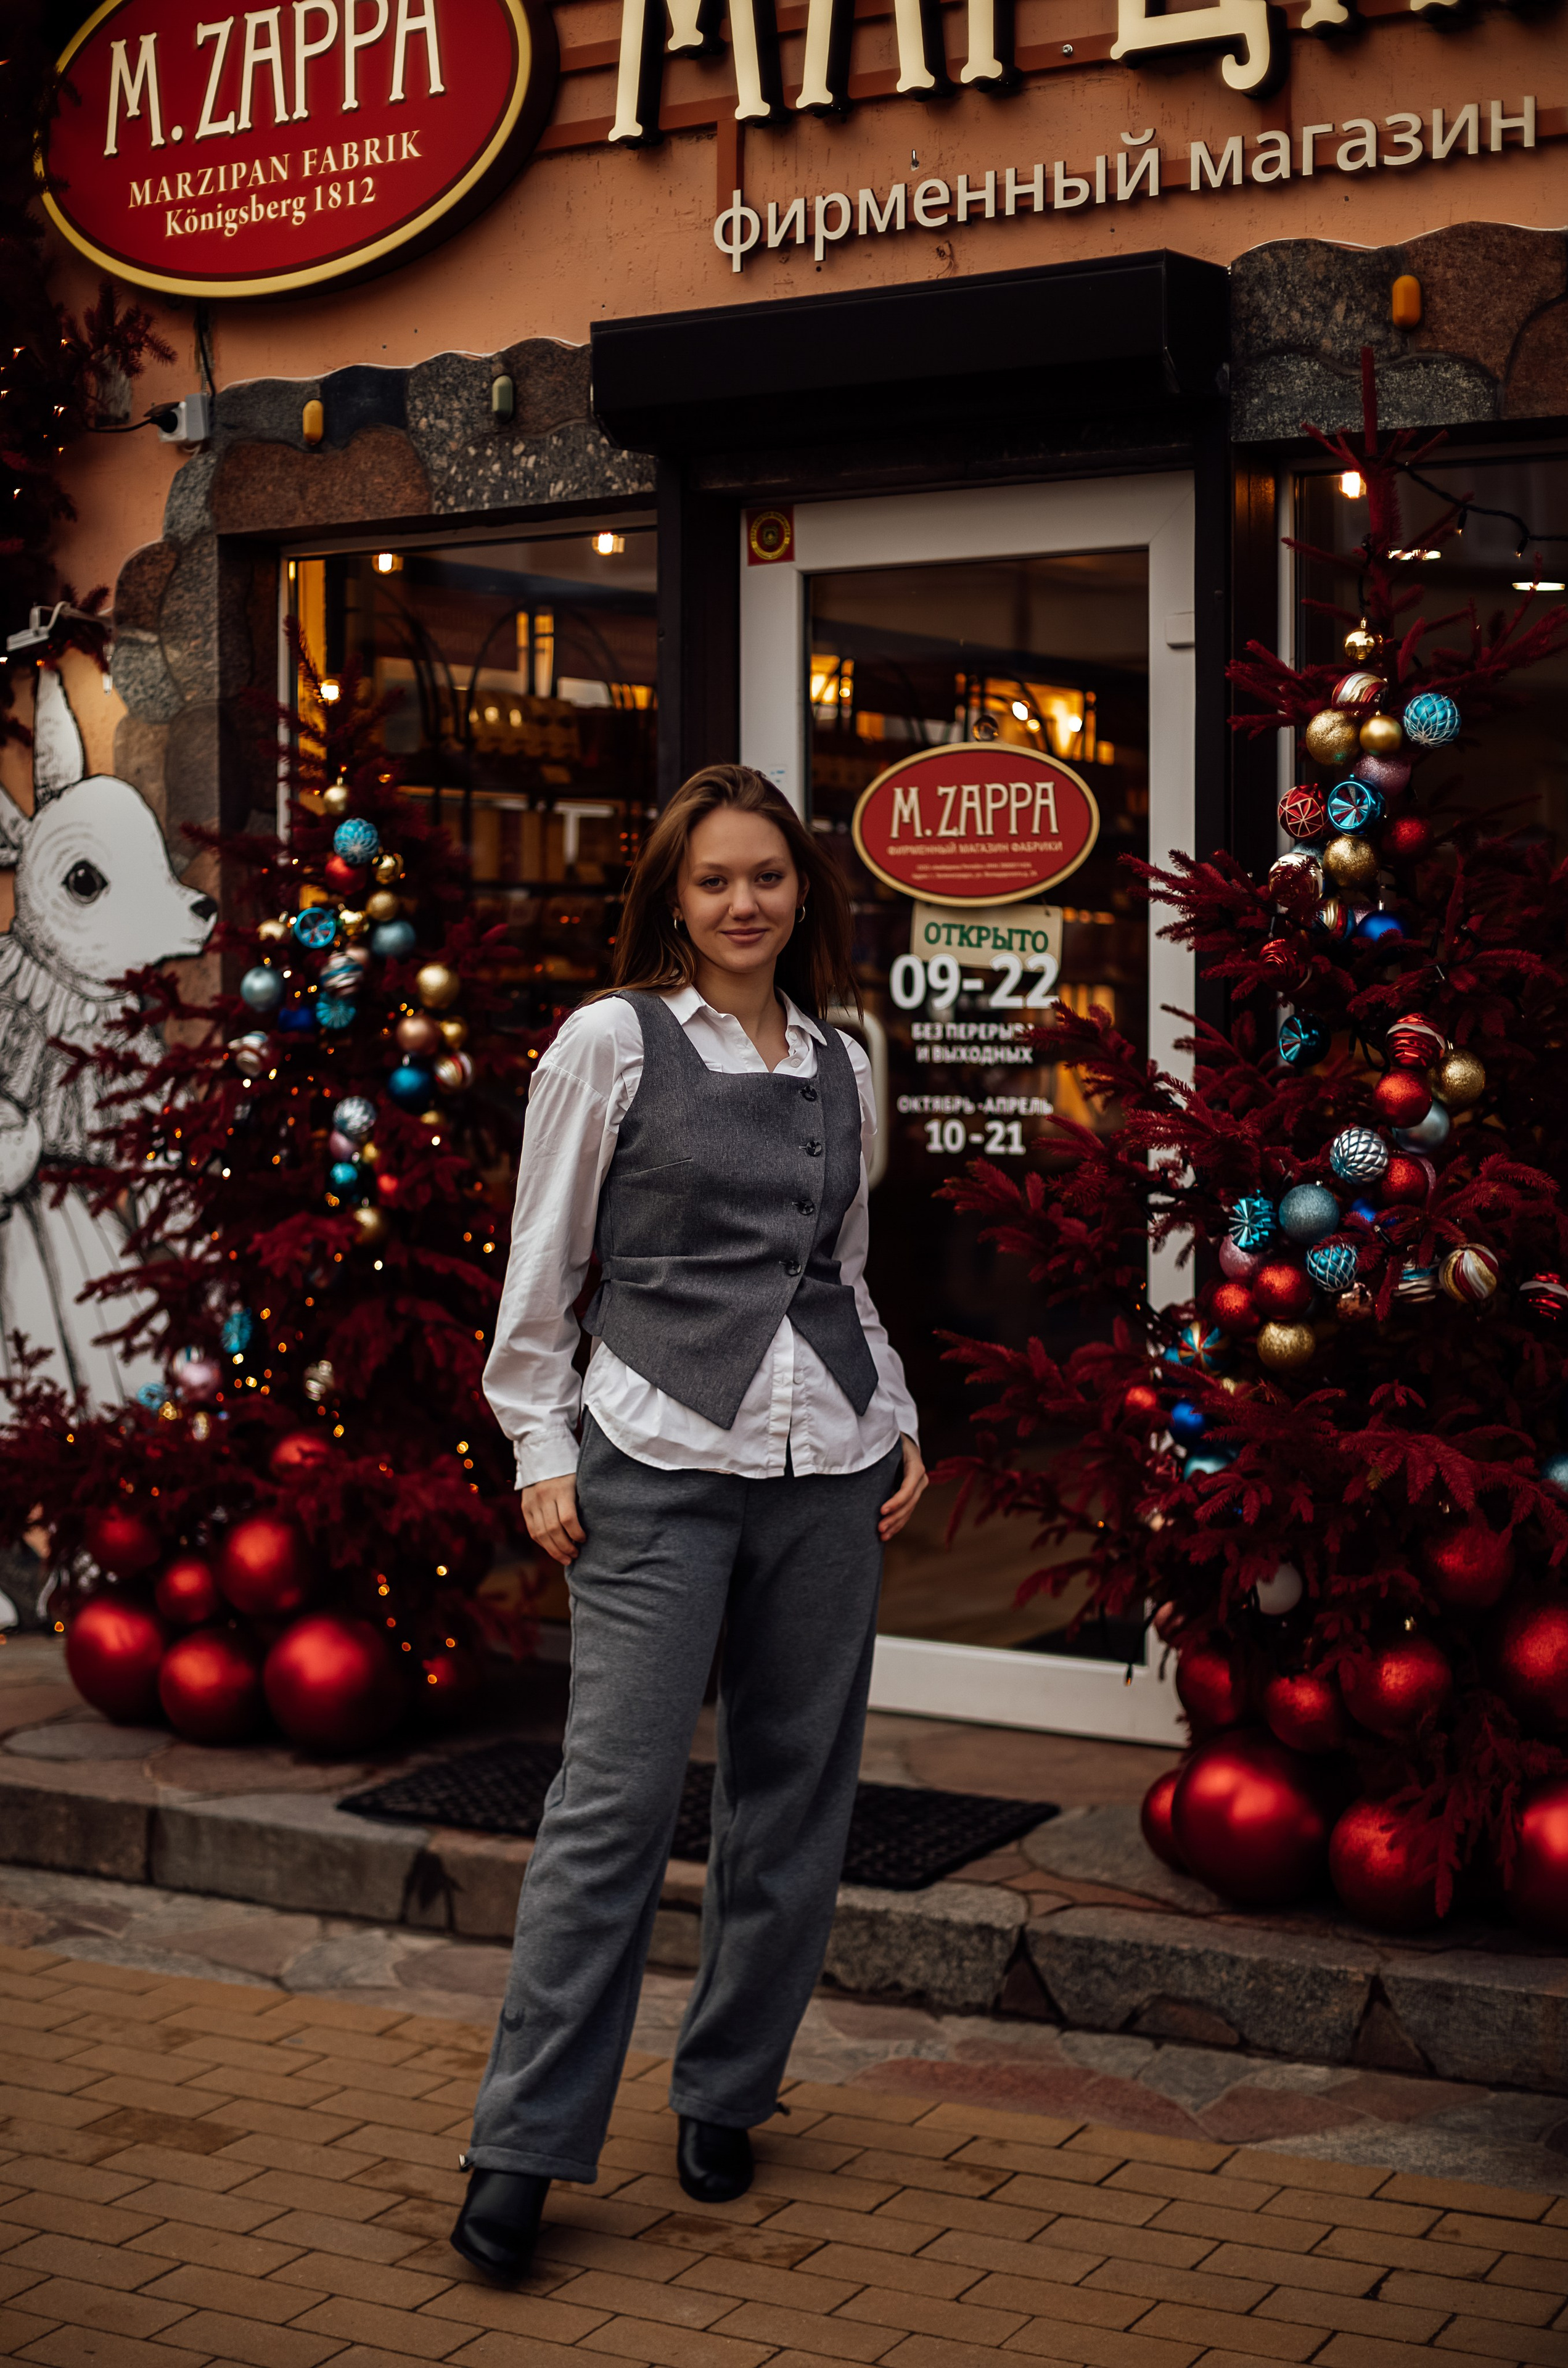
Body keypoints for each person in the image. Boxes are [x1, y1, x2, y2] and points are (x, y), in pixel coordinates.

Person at [451, 763, 925, 2282]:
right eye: (714, 881)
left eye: (767, 879)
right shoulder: (610, 1040)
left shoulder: (848, 1057)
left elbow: (840, 1266)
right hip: (651, 1454)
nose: (742, 904)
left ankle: (725, 2091)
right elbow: (542, 1271)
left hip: (830, 1464)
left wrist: (897, 1415)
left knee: (794, 1799)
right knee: (610, 1811)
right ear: (671, 895)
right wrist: (541, 1448)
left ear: (803, 895)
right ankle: (522, 2145)